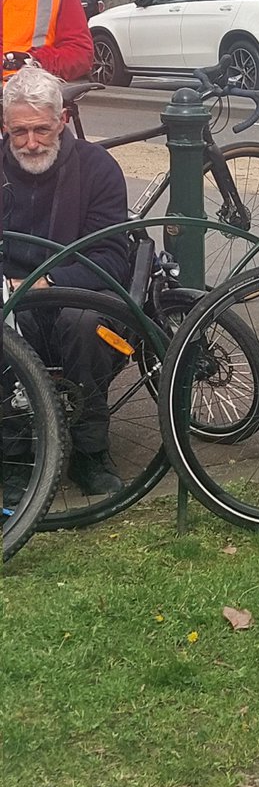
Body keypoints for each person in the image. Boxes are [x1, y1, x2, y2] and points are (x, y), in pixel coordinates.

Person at [1, 66, 131, 502]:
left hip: (75, 295)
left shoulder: (98, 168)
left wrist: (45, 283)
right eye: (20, 132)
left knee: (84, 320)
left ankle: (90, 453)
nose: (32, 142)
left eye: (41, 128)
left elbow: (112, 257)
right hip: (10, 301)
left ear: (61, 120)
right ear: (5, 126)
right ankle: (16, 455)